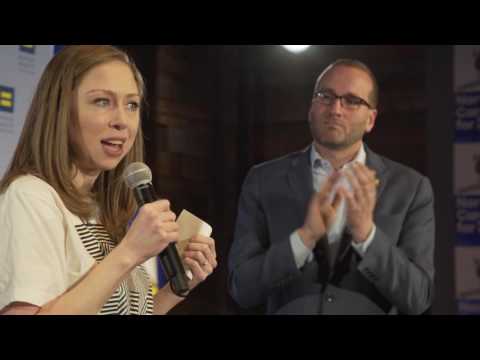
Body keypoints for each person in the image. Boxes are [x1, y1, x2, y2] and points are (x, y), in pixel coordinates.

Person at [0, 45, 217, 315]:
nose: (122, 121)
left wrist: (173, 291)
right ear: (60, 110)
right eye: (102, 101)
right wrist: (129, 252)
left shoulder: (108, 212)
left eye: (132, 105)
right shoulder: (30, 196)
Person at [228, 59, 435, 315]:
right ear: (311, 107)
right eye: (325, 96)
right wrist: (303, 239)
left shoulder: (411, 188)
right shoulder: (263, 180)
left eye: (351, 100)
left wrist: (366, 235)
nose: (336, 109)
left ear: (371, 119)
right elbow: (242, 288)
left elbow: (418, 298)